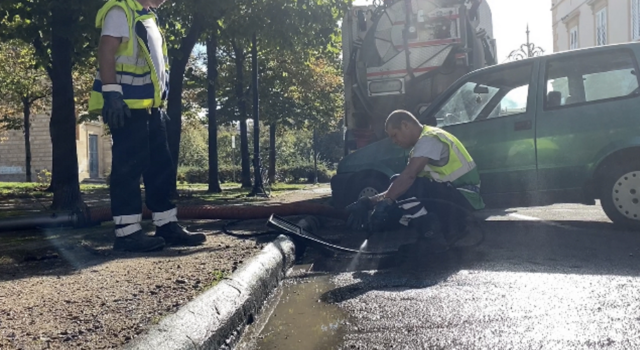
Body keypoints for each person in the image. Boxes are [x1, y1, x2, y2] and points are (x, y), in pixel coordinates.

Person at [88, 0, 206, 252]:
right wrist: (111, 93)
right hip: (127, 107)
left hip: (150, 108)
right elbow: (106, 49)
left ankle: (166, 224)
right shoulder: (121, 11)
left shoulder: (146, 16)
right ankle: (127, 233)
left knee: (160, 166)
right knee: (129, 168)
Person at [346, 110, 485, 244]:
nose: (394, 141)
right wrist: (369, 202)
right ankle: (437, 230)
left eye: (394, 135)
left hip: (464, 199)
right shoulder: (421, 147)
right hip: (454, 197)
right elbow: (400, 185)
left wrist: (387, 201)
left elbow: (408, 178)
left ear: (405, 125)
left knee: (403, 185)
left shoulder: (429, 139)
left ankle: (437, 232)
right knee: (398, 187)